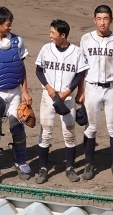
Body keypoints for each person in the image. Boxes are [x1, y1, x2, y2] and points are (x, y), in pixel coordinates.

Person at [0, 6, 33, 182]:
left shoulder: (18, 41)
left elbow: (21, 67)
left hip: (15, 91)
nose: (10, 27)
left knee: (17, 128)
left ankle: (21, 162)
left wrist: (25, 90)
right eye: (7, 24)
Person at [78, 5, 113, 181]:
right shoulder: (86, 39)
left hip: (112, 89)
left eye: (105, 18)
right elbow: (82, 68)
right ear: (94, 20)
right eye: (99, 19)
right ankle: (88, 164)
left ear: (111, 20)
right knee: (90, 127)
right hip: (91, 88)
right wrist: (81, 91)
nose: (102, 22)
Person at [33, 19, 88, 184]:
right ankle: (43, 169)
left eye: (53, 33)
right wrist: (48, 87)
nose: (50, 35)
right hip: (48, 97)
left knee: (69, 133)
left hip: (67, 98)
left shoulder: (76, 52)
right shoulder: (46, 49)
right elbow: (39, 70)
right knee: (45, 132)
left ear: (62, 35)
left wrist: (69, 91)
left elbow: (79, 74)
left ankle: (70, 168)